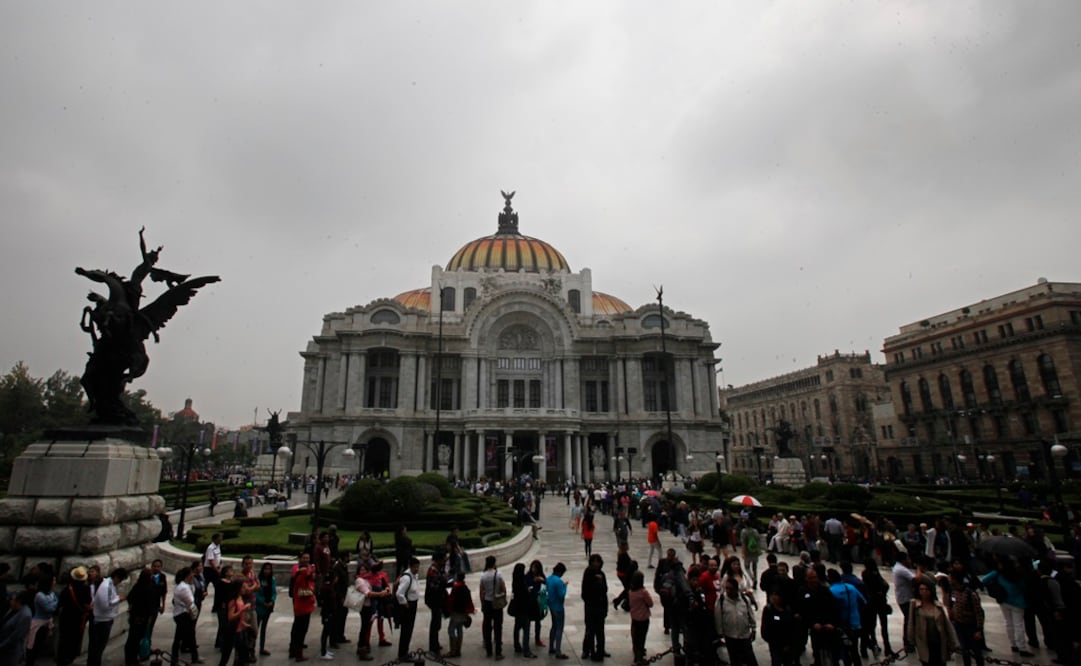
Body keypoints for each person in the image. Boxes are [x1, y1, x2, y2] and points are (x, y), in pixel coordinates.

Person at [981, 555, 1032, 657]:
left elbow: (984, 580)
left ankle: (1013, 644)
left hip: (1004, 600)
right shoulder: (1018, 574)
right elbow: (1024, 587)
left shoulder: (998, 573)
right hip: (1018, 602)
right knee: (1019, 625)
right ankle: (1022, 647)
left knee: (1008, 623)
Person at [908, 579, 959, 666]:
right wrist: (911, 639)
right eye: (921, 589)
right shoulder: (915, 605)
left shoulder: (938, 606)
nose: (924, 592)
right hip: (924, 642)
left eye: (926, 589)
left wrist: (954, 642)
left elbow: (947, 625)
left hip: (939, 642)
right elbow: (911, 623)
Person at [89, 567, 127, 666]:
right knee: (98, 646)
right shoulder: (106, 586)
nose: (119, 582)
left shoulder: (110, 585)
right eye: (120, 579)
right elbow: (105, 605)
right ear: (116, 577)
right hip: (102, 620)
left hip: (106, 618)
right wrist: (119, 599)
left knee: (98, 647)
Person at [717, 574, 758, 666]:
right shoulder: (721, 600)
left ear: (736, 589)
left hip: (744, 635)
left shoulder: (744, 600)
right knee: (735, 660)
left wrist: (754, 629)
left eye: (730, 588)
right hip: (730, 636)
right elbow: (718, 617)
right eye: (727, 588)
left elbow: (750, 615)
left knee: (750, 659)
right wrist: (720, 633)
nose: (728, 591)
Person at [56, 566, 93, 666]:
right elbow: (88, 603)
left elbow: (60, 603)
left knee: (64, 639)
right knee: (74, 639)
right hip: (78, 618)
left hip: (66, 617)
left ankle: (61, 659)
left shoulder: (68, 589)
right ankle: (70, 657)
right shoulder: (86, 589)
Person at [946, 571, 984, 666]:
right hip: (959, 625)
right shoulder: (952, 591)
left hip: (971, 626)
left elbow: (978, 612)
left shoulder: (971, 594)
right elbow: (951, 604)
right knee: (964, 649)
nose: (949, 579)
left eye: (950, 577)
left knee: (976, 650)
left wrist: (978, 629)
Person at [125, 568, 161, 666]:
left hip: (135, 616)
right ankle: (131, 660)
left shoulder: (138, 586)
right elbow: (150, 604)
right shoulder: (148, 588)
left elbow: (129, 598)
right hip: (142, 617)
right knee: (135, 639)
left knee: (132, 638)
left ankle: (131, 659)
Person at [171, 567, 203, 664]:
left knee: (181, 637)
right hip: (183, 614)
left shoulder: (182, 585)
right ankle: (178, 658)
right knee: (185, 637)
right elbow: (190, 602)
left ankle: (176, 658)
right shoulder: (184, 587)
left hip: (180, 614)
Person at [581, 553, 610, 662]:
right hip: (591, 607)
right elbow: (585, 591)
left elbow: (605, 590)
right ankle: (587, 650)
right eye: (594, 561)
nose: (596, 564)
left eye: (598, 561)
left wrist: (600, 582)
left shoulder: (602, 574)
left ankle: (600, 650)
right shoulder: (588, 573)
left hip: (600, 607)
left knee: (600, 631)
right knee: (590, 630)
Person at [290, 552, 318, 661]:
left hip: (302, 607)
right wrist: (311, 592)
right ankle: (298, 653)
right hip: (303, 607)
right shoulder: (301, 574)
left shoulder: (303, 575)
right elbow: (303, 592)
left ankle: (295, 650)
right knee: (300, 630)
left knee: (299, 629)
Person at [479, 555, 507, 660]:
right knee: (498, 627)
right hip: (496, 604)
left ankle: (489, 651)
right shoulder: (498, 575)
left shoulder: (483, 576)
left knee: (487, 627)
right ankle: (498, 652)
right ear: (494, 563)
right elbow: (503, 589)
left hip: (487, 603)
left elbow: (481, 591)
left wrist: (482, 604)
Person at [762, 588, 801, 666]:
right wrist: (772, 642)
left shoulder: (788, 609)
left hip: (788, 644)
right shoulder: (768, 610)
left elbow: (793, 628)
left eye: (776, 595)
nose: (773, 597)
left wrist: (790, 643)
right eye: (772, 595)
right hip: (775, 644)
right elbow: (765, 629)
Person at [26, 573, 58, 666]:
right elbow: (49, 608)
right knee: (33, 647)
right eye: (53, 580)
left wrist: (54, 604)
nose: (55, 582)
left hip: (46, 623)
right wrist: (54, 603)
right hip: (38, 624)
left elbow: (55, 603)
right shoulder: (39, 595)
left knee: (39, 647)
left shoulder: (52, 594)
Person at [395, 557, 421, 661]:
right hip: (408, 606)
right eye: (415, 567)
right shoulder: (407, 578)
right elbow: (399, 593)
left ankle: (404, 651)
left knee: (409, 630)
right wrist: (405, 603)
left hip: (413, 604)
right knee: (406, 630)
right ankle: (402, 654)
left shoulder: (414, 576)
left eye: (418, 567)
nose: (417, 569)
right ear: (411, 566)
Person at [425, 550, 450, 655]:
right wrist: (444, 582)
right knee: (435, 623)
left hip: (439, 599)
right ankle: (433, 646)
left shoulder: (439, 569)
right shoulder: (433, 571)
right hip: (434, 600)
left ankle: (435, 643)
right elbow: (435, 586)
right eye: (444, 558)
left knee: (437, 622)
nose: (445, 560)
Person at [511, 562, 538, 658]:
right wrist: (528, 591)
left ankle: (517, 646)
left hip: (517, 609)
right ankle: (526, 651)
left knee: (517, 627)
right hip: (524, 609)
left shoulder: (515, 581)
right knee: (526, 629)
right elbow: (525, 595)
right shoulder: (522, 583)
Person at [0, 590, 34, 666]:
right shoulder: (13, 609)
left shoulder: (25, 615)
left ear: (18, 601)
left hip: (11, 652)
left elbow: (15, 637)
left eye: (12, 599)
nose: (10, 601)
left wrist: (1, 646)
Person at [446, 571, 475, 658]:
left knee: (451, 629)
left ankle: (452, 650)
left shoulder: (456, 587)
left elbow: (451, 600)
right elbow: (469, 600)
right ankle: (458, 650)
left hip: (456, 612)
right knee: (459, 629)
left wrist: (449, 609)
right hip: (463, 612)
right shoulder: (465, 587)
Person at [628, 570, 654, 665]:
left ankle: (636, 656)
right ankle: (640, 658)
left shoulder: (631, 591)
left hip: (634, 618)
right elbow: (650, 603)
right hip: (643, 618)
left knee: (635, 638)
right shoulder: (643, 592)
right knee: (642, 638)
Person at [353, 561, 377, 661]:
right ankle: (362, 650)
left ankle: (361, 647)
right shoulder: (359, 580)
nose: (363, 571)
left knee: (365, 627)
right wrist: (381, 594)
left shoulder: (367, 579)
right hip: (364, 607)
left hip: (368, 606)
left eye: (364, 569)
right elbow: (368, 593)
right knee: (364, 628)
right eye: (361, 570)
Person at [546, 562, 570, 660]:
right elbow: (562, 595)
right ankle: (558, 651)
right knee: (559, 628)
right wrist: (565, 586)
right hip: (558, 607)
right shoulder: (558, 581)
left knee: (554, 626)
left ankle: (551, 646)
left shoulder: (549, 579)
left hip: (551, 605)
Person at [254, 563, 277, 657]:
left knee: (264, 628)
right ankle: (251, 648)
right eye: (265, 569)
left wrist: (272, 600)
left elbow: (274, 592)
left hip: (269, 607)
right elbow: (256, 593)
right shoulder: (258, 580)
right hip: (260, 607)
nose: (267, 571)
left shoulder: (272, 579)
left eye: (269, 569)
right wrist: (263, 602)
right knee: (256, 628)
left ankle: (262, 648)